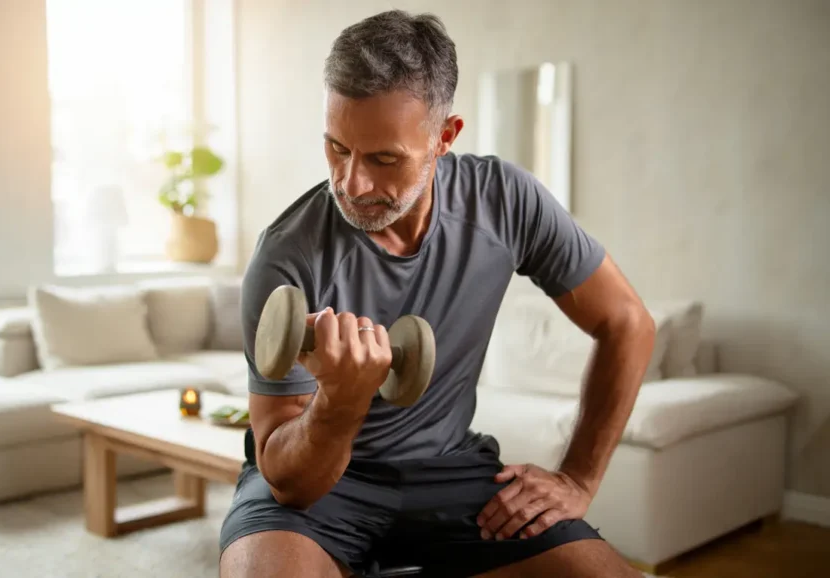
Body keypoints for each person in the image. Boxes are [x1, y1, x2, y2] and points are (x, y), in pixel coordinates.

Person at [219, 9, 655, 578]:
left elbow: (628, 322)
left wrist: (577, 479)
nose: (352, 183)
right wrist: (340, 403)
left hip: (448, 472)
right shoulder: (285, 255)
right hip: (317, 484)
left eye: (383, 158)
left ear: (444, 137)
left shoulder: (503, 200)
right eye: (337, 148)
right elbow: (291, 484)